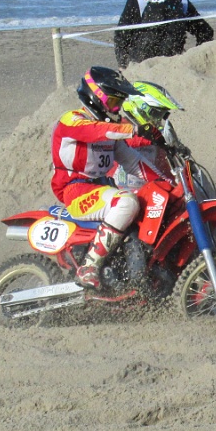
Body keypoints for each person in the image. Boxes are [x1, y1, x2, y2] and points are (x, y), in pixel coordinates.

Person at [50, 66, 164, 289]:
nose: (117, 107)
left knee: (145, 202)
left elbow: (134, 163)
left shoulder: (110, 131)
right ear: (95, 97)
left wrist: (166, 184)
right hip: (76, 192)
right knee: (126, 202)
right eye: (113, 101)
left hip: (101, 189)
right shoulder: (72, 120)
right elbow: (96, 130)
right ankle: (89, 267)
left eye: (119, 102)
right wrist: (135, 130)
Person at [114, 0, 214, 69]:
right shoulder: (181, 1)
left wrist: (123, 65)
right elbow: (206, 32)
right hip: (174, 64)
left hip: (143, 65)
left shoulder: (137, 0)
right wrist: (193, 58)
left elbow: (122, 35)